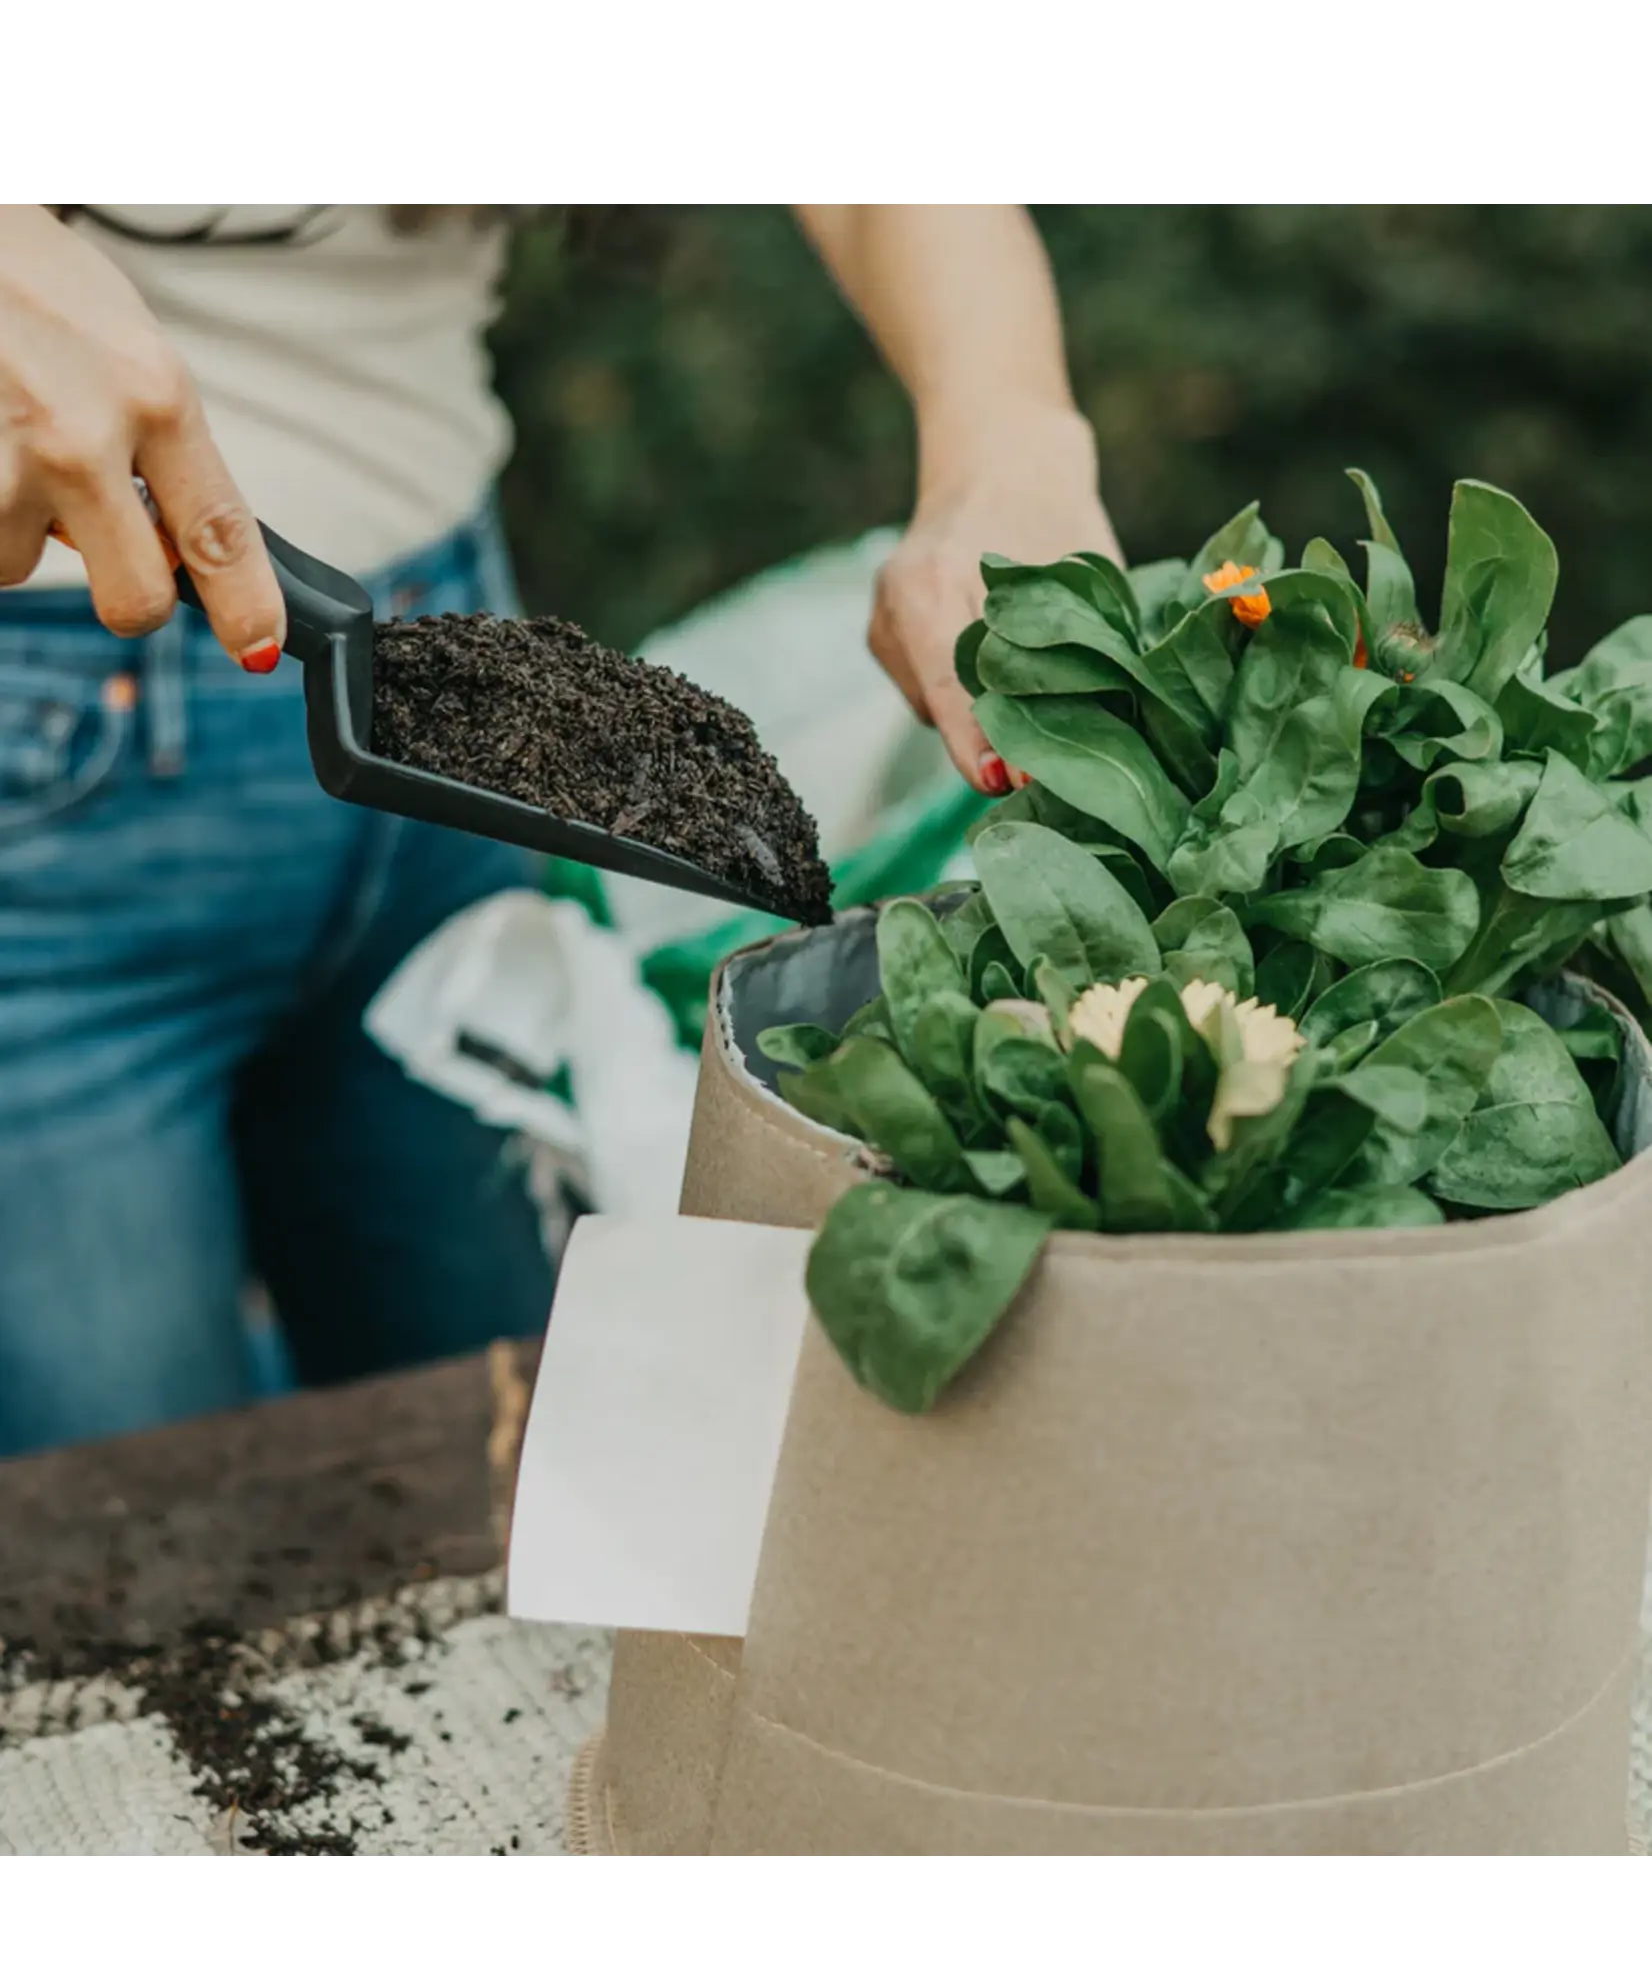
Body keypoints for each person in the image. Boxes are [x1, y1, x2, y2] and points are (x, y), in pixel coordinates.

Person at [0, 201, 1122, 1458]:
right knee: (126, 1559)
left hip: (439, 673)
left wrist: (1007, 434)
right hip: (44, 764)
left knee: (514, 1477)